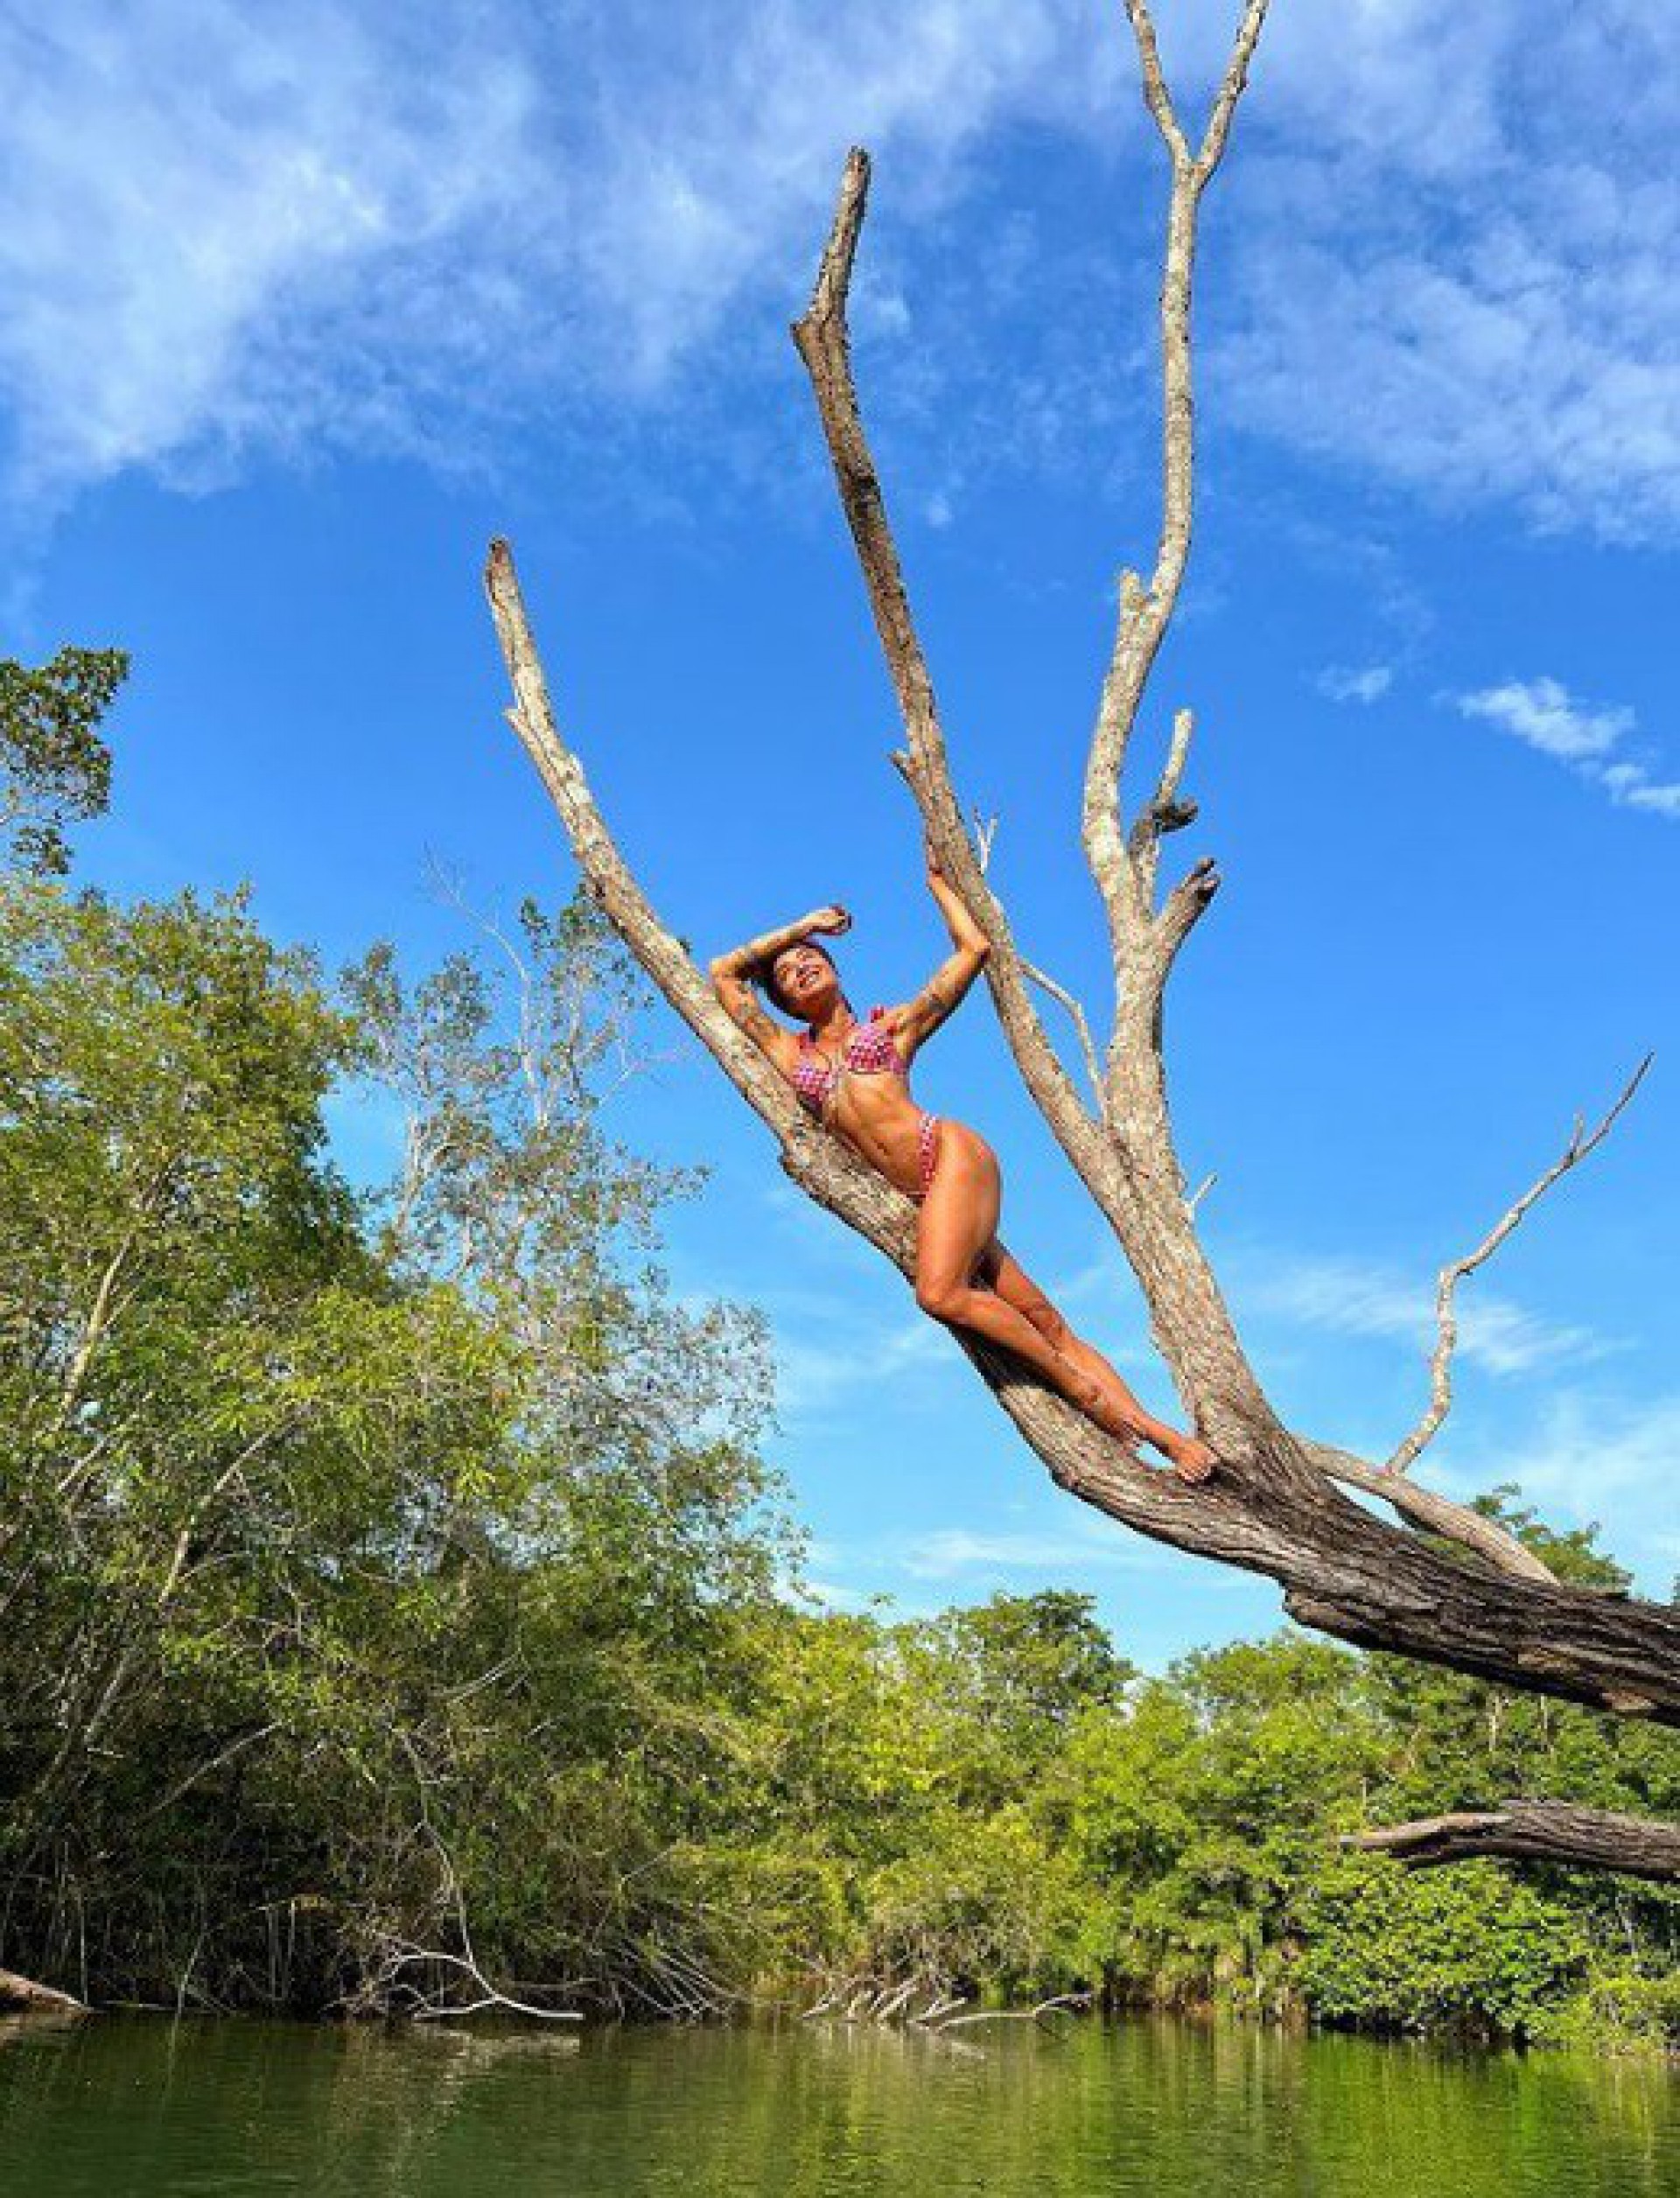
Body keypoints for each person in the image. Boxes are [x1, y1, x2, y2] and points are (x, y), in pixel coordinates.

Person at [709, 844, 1216, 1483]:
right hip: (931, 1201)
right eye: (786, 972)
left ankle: (1085, 1396)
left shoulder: (890, 1028)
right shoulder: (786, 1053)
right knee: (1048, 1322)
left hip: (947, 1153)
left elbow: (972, 950)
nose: (800, 967)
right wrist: (801, 926)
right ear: (781, 998)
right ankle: (1166, 1437)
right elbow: (724, 974)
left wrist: (939, 887)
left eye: (811, 958)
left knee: (940, 1293)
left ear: (837, 971)